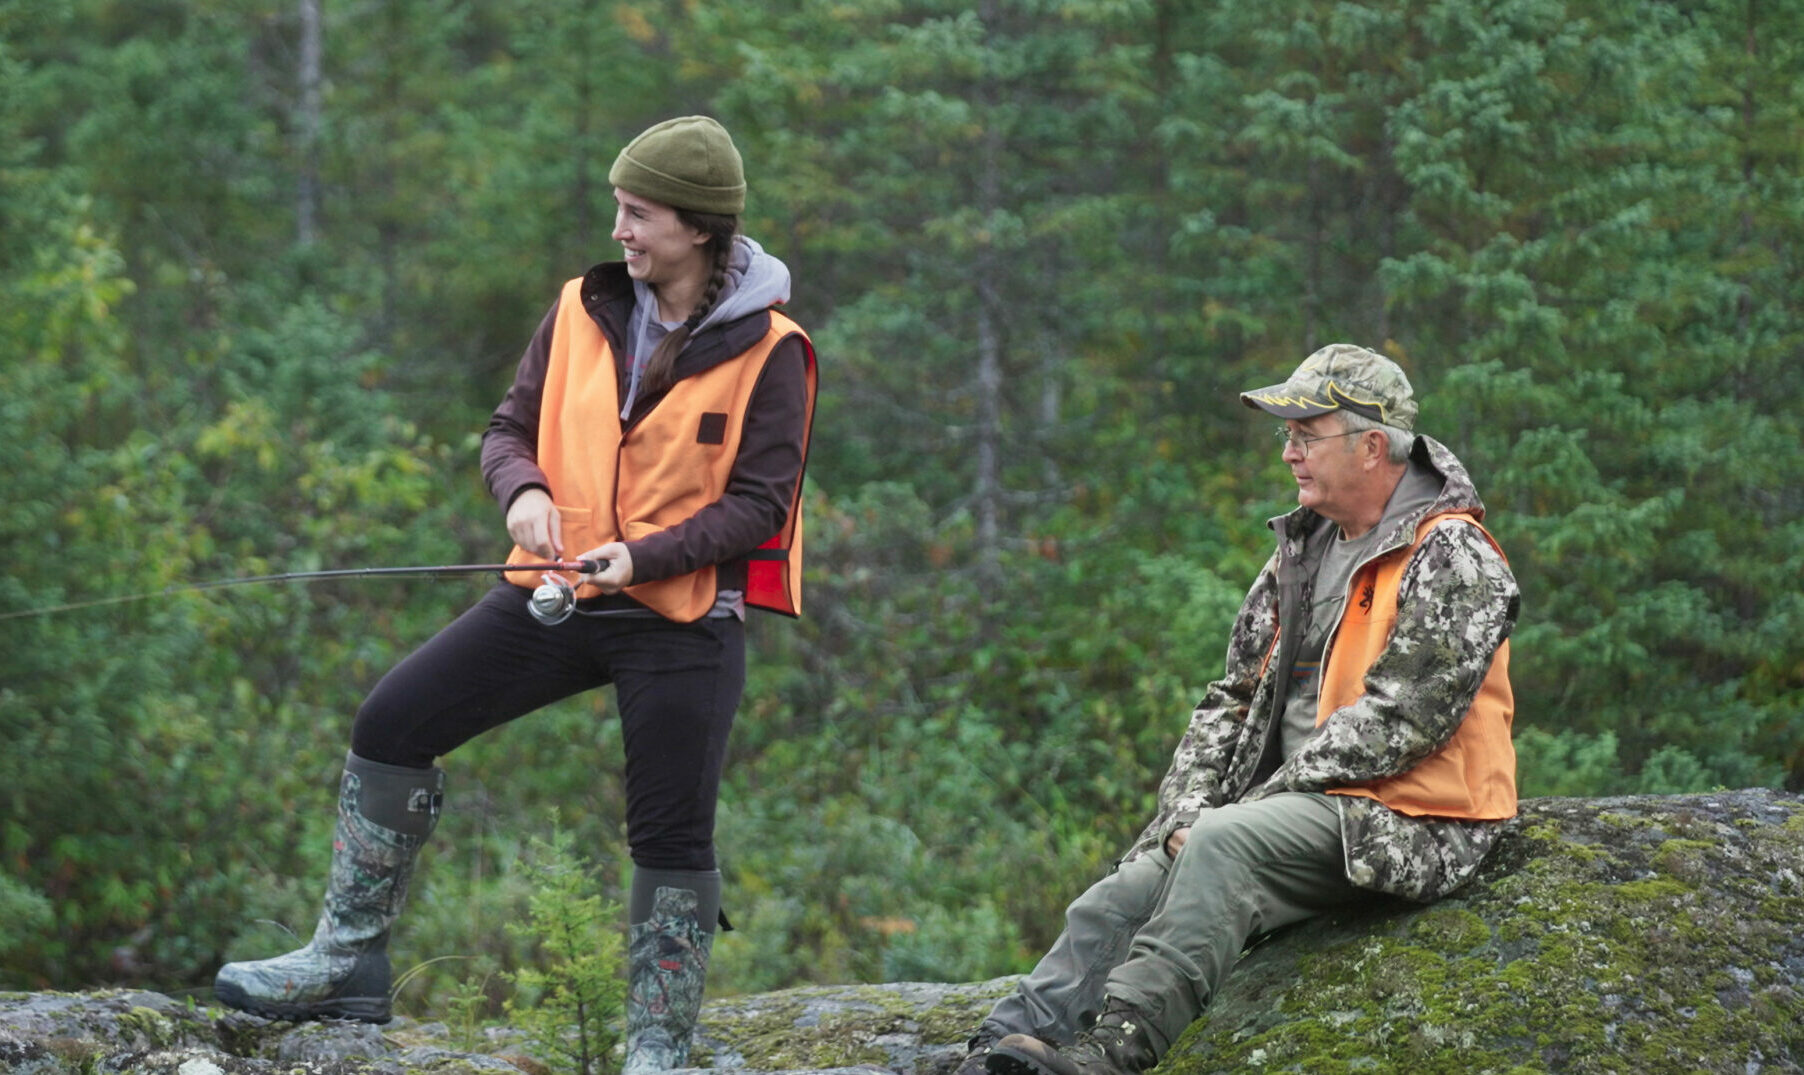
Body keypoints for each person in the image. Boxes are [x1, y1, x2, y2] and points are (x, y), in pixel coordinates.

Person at [214, 115, 817, 1075]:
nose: (619, 231)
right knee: (392, 718)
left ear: (699, 227)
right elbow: (507, 429)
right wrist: (524, 491)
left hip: (685, 617)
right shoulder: (582, 306)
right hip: (553, 593)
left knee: (668, 832)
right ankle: (347, 962)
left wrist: (644, 556)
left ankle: (656, 1049)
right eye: (618, 209)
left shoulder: (773, 349)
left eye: (639, 214)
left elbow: (758, 507)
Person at [957, 344, 1518, 1075]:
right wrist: (1186, 808)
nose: (1288, 453)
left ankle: (1114, 1052)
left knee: (1222, 846)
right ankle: (996, 1047)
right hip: (1293, 810)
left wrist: (1244, 808)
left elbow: (1402, 722)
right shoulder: (1302, 550)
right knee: (1132, 883)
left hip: (1408, 818)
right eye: (1287, 436)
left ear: (1372, 444)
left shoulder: (1454, 555)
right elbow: (1233, 696)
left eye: (1305, 434)